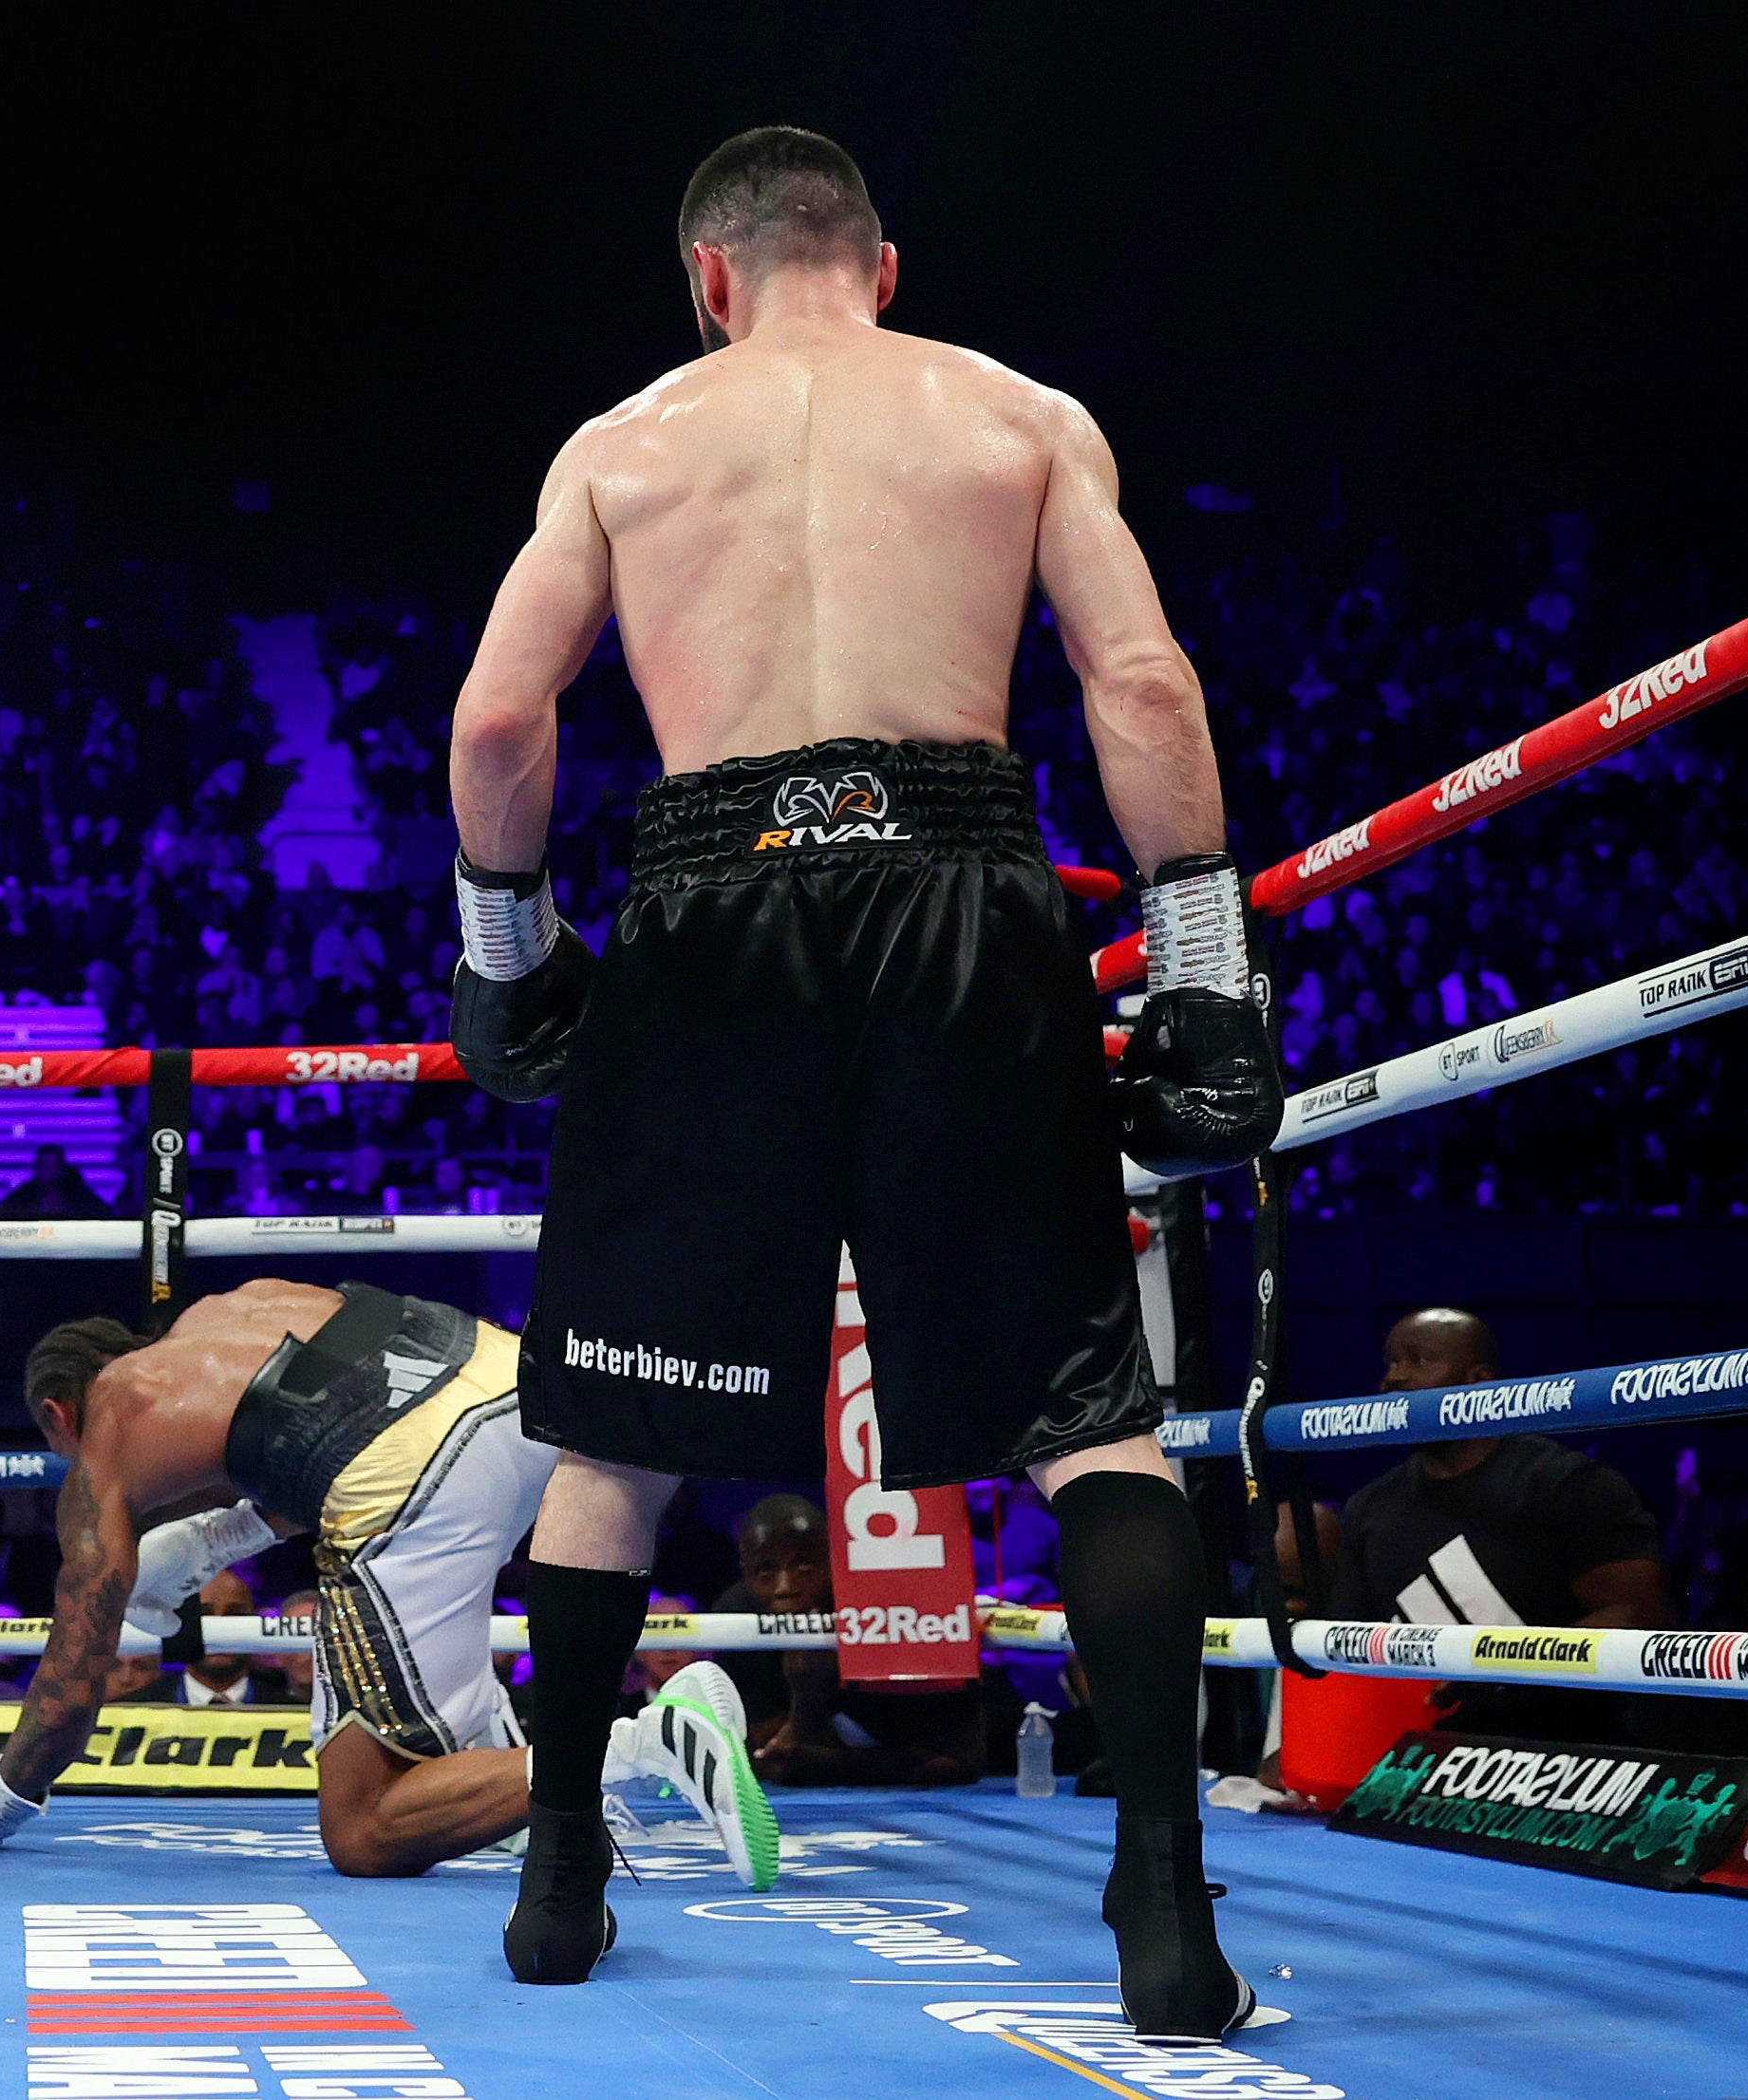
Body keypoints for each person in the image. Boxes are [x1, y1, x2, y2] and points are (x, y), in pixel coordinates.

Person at [443, 127, 1271, 2035]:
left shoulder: (625, 443)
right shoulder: (1017, 416)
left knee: (620, 1438)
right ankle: (1162, 1894)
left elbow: (500, 719)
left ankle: (561, 1864)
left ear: (708, 281)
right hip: (967, 895)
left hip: (712, 909)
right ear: (881, 265)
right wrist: (1208, 982)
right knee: (1090, 1414)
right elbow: (1142, 686)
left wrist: (508, 957)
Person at [0, 1284, 776, 1888]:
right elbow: (338, 1422)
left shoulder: (110, 1429)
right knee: (411, 1655)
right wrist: (211, 1540)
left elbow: (76, 1666)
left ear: (58, 1414)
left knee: (361, 1829)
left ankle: (645, 1751)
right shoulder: (225, 1317)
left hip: (414, 1468)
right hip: (521, 1389)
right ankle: (503, 1785)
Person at [1334, 1309, 1669, 1739]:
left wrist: (1500, 1663)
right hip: (1417, 1764)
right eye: (1391, 1363)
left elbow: (1639, 1614)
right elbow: (1347, 1648)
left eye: (1418, 1361)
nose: (1393, 1379)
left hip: (1565, 1757)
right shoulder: (1369, 1507)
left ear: (1480, 1382)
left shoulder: (1564, 1484)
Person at [710, 1498, 981, 1788]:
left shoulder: (886, 1607)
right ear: (744, 1568)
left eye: (804, 1565)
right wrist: (806, 1696)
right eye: (766, 1569)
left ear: (833, 1559)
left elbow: (955, 1762)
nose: (785, 1587)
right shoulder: (735, 1617)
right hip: (876, 1767)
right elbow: (773, 1757)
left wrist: (819, 1755)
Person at [116, 1569, 301, 1707]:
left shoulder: (294, 1713)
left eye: (234, 1615)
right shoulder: (128, 1712)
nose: (218, 1628)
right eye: (204, 1615)